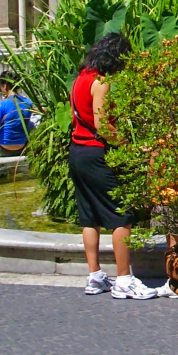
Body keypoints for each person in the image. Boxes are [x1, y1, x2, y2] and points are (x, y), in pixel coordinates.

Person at [69, 34, 157, 299]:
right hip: (96, 154)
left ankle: (94, 276)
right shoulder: (100, 83)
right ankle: (123, 279)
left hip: (76, 153)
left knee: (89, 216)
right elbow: (102, 125)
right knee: (122, 215)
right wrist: (129, 147)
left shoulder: (79, 79)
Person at [0, 73, 33, 157]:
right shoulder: (28, 103)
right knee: (30, 124)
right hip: (22, 149)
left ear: (5, 85)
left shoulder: (2, 104)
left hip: (2, 150)